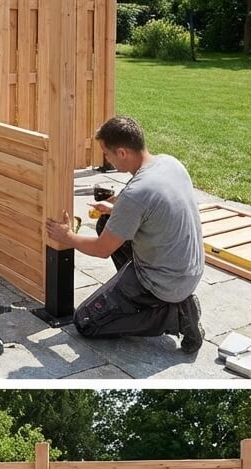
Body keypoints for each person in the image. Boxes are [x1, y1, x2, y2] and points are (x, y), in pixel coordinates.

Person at [44, 115, 205, 352]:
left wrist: (67, 237)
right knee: (107, 222)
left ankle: (175, 315)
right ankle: (148, 301)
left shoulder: (136, 194)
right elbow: (152, 203)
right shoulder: (170, 163)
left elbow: (102, 249)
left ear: (121, 153)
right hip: (189, 269)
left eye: (106, 154)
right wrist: (115, 209)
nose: (105, 159)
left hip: (165, 281)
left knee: (86, 322)